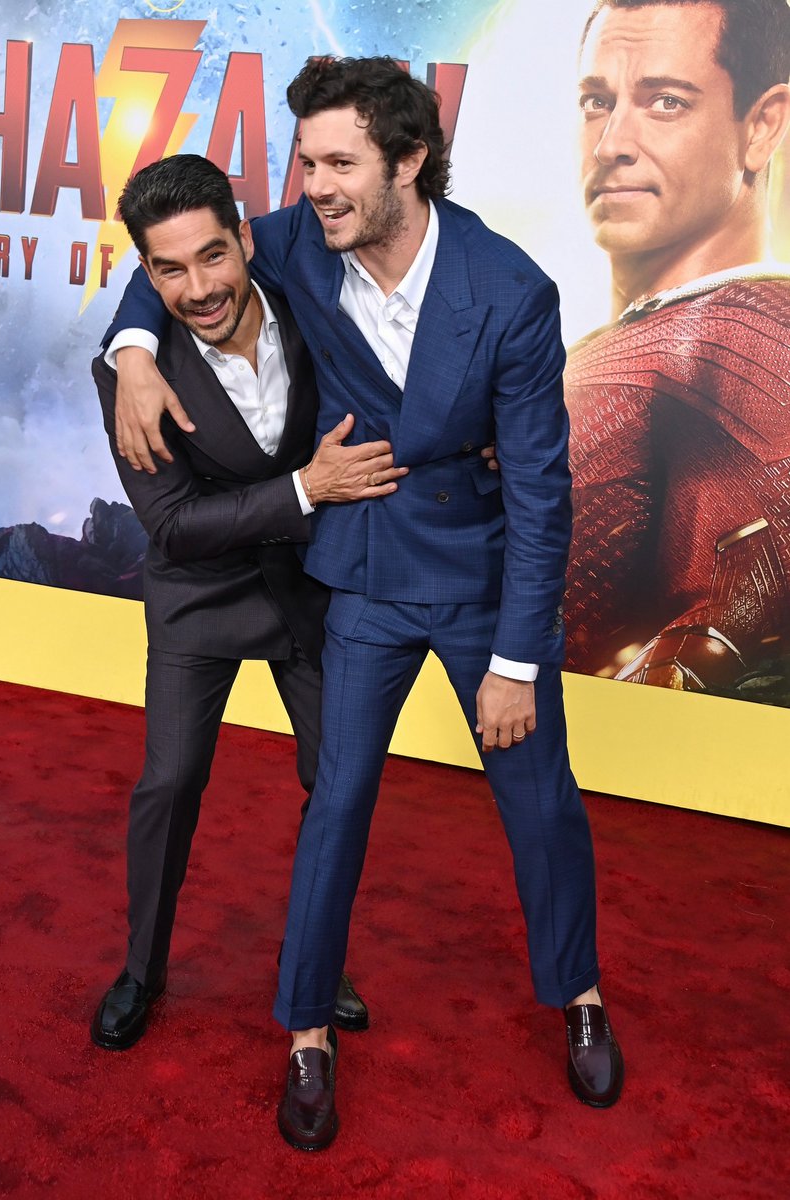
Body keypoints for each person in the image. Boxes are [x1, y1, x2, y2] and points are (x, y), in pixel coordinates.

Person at [104, 58, 624, 1147]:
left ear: (408, 162)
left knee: (539, 805)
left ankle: (577, 998)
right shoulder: (293, 238)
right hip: (362, 580)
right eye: (304, 163)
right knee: (334, 802)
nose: (313, 184)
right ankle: (304, 1034)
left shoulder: (509, 289)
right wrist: (137, 347)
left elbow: (540, 488)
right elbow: (179, 257)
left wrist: (519, 660)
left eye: (338, 163)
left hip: (482, 582)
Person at [90, 154, 409, 1052]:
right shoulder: (128, 377)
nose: (197, 287)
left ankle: (315, 956)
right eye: (168, 270)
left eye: (212, 257)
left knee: (334, 786)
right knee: (170, 782)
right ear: (145, 275)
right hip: (200, 599)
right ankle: (141, 971)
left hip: (310, 592)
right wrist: (305, 489)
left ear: (245, 237)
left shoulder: (305, 284)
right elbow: (177, 527)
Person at [564, 0, 790, 699]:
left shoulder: (742, 330)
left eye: (665, 101)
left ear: (760, 126)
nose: (611, 144)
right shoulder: (618, 341)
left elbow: (731, 620)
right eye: (597, 101)